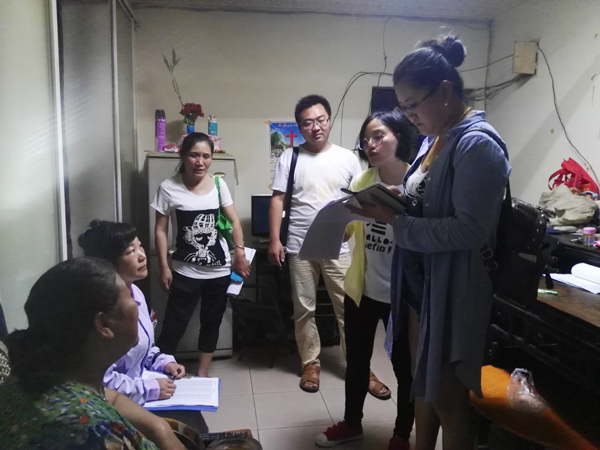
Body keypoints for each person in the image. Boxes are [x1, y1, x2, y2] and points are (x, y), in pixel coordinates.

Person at [350, 35, 511, 450]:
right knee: (423, 387)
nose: (409, 116)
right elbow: (430, 200)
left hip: (453, 288)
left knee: (450, 403)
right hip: (422, 285)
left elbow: (470, 230)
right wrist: (397, 198)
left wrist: (396, 221)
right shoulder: (434, 138)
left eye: (412, 105)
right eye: (402, 107)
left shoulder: (477, 144)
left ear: (444, 90)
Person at [0, 257, 184, 450]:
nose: (135, 302)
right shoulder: (95, 432)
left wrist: (160, 427)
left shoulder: (38, 377)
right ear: (104, 324)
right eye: (129, 297)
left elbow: (108, 396)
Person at [316, 110, 416, 449]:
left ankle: (401, 435)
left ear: (399, 137)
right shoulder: (362, 181)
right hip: (362, 288)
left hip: (402, 294)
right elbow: (352, 230)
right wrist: (333, 224)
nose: (370, 144)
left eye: (378, 136)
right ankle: (352, 424)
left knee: (405, 367)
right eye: (366, 139)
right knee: (356, 361)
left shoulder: (416, 182)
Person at [269, 94, 366, 393]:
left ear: (329, 121)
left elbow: (359, 200)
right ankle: (310, 362)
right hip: (299, 246)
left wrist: (352, 229)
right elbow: (278, 199)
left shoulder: (348, 158)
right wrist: (275, 239)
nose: (316, 127)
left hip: (337, 245)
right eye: (308, 122)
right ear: (300, 127)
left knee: (349, 309)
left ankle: (360, 365)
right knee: (304, 309)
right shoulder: (289, 157)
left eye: (321, 120)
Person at [152, 132, 251, 377]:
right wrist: (164, 266)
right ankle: (161, 372)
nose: (200, 162)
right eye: (194, 155)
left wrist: (239, 254)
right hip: (184, 270)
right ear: (183, 156)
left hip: (219, 270)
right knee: (174, 324)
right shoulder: (168, 187)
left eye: (206, 156)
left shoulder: (218, 185)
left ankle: (203, 373)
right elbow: (161, 230)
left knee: (211, 322)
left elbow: (234, 222)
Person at [79, 220, 186, 404]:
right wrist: (148, 389)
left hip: (141, 391)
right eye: (131, 251)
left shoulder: (135, 292)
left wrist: (163, 362)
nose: (142, 256)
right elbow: (102, 380)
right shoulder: (104, 311)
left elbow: (143, 348)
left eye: (140, 246)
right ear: (109, 262)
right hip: (116, 404)